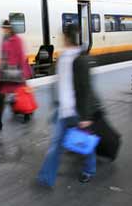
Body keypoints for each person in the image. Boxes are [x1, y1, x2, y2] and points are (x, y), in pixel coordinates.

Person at [37, 24, 101, 187]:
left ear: (67, 38)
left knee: (84, 143)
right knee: (56, 145)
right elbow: (59, 83)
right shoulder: (63, 57)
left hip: (78, 111)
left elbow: (86, 89)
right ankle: (46, 177)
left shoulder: (81, 59)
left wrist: (86, 116)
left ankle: (89, 170)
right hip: (63, 110)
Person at [0, 20, 32, 131]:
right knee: (0, 96)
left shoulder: (17, 40)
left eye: (5, 28)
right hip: (5, 74)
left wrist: (23, 73)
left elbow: (21, 56)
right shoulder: (4, 39)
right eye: (3, 28)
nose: (4, 30)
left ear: (10, 28)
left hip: (16, 73)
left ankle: (27, 114)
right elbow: (3, 57)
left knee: (22, 94)